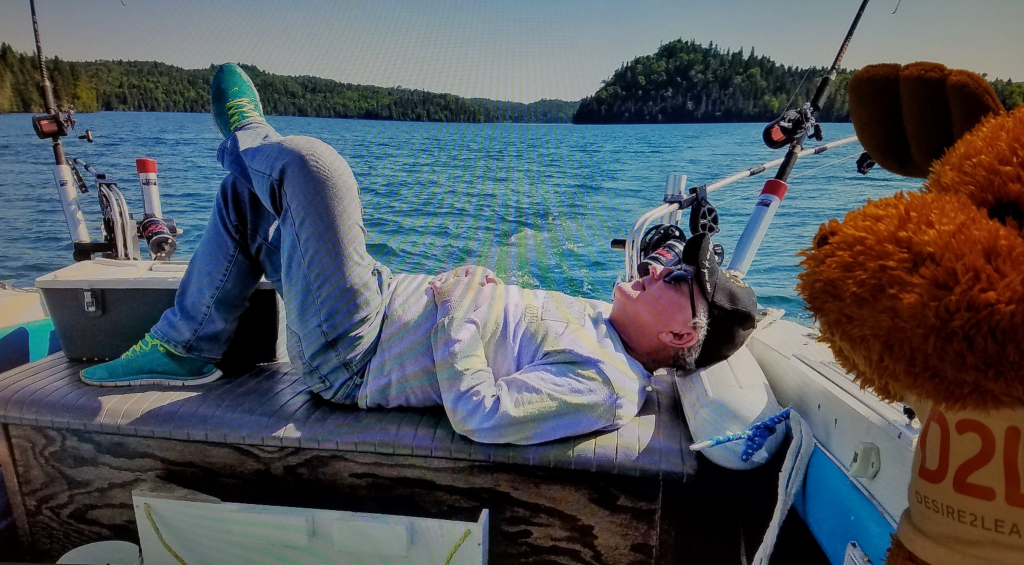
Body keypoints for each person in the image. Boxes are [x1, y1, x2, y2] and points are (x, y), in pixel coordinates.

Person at [80, 65, 758, 445]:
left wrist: (465, 304)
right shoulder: (603, 324)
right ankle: (186, 345)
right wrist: (484, 292)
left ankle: (246, 133)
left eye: (676, 277)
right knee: (249, 197)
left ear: (682, 334)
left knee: (315, 171)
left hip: (355, 354)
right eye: (668, 260)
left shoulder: (608, 385)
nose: (654, 266)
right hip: (378, 298)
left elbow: (482, 414)